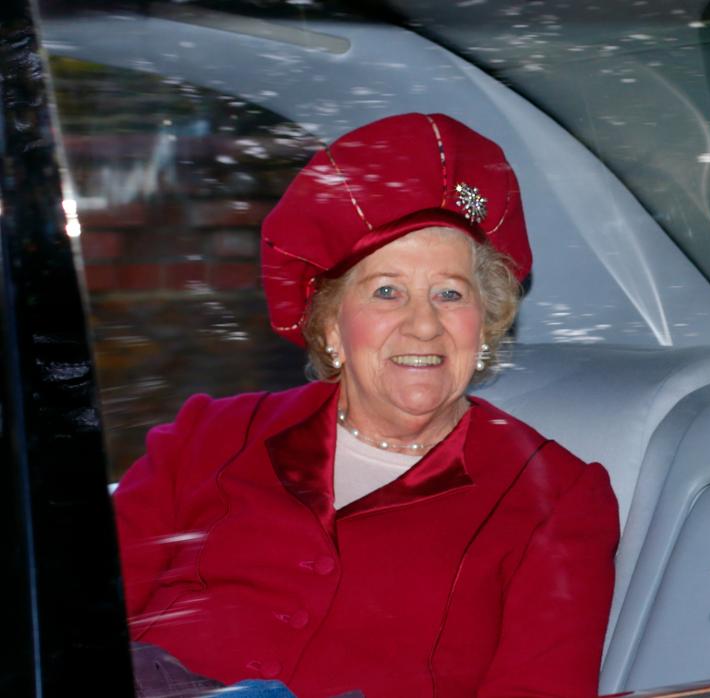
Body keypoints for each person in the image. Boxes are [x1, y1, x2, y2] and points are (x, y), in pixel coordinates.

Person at [112, 113, 620, 698]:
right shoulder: (206, 438)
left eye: (450, 294)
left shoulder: (557, 501)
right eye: (387, 291)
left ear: (487, 322)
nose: (424, 325)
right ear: (330, 323)